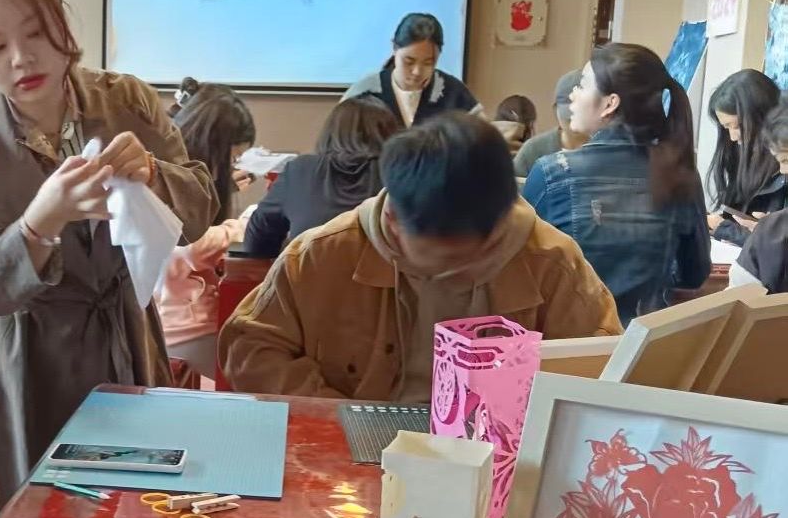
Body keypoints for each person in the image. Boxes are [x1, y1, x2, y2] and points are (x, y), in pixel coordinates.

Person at [0, 0, 219, 499]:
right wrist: (36, 225)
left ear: (64, 25)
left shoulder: (126, 102)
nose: (21, 59)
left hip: (122, 338)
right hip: (15, 361)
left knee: (126, 506)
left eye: (36, 33)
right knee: (26, 516)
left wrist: (154, 175)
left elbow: (199, 210)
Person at [219, 113, 619, 400]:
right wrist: (337, 413)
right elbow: (251, 348)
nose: (464, 272)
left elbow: (603, 368)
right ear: (394, 220)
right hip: (357, 439)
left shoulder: (550, 259)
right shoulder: (323, 255)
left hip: (496, 452)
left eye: (481, 257)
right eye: (446, 261)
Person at [523, 43, 711, 325]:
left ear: (610, 103)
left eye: (582, 85)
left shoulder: (553, 173)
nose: (573, 94)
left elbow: (520, 272)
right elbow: (694, 274)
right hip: (647, 342)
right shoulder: (680, 174)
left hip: (572, 343)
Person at [156, 81, 257, 378]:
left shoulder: (180, 171)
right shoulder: (168, 176)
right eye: (232, 158)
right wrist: (242, 226)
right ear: (213, 147)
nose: (233, 165)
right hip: (182, 325)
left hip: (180, 316)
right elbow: (191, 246)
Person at [243, 95, 399, 257]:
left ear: (330, 132)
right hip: (384, 272)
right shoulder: (400, 173)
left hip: (309, 271)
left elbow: (256, 241)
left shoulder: (299, 170)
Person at [341, 12, 482, 126]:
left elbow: (483, 138)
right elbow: (339, 142)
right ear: (394, 48)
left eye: (428, 63)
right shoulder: (365, 92)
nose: (417, 72)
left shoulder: (453, 92)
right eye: (409, 62)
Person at [706, 69, 785, 245]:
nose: (733, 137)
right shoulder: (739, 156)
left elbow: (778, 247)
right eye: (727, 128)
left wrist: (725, 229)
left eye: (738, 126)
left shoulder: (783, 167)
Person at [730, 102, 788, 293]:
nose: (783, 170)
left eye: (785, 160)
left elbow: (737, 304)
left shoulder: (773, 232)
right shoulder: (772, 230)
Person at [514, 70, 588, 178]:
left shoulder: (606, 151)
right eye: (568, 116)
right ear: (555, 110)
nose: (574, 122)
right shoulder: (533, 150)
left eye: (581, 114)